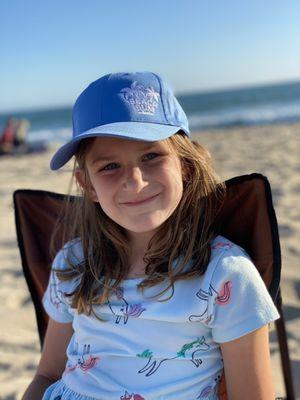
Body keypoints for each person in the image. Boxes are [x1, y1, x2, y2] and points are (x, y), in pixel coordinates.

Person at [22, 72, 280, 400]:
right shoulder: (73, 263)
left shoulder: (225, 276)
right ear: (88, 186)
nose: (135, 181)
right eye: (109, 167)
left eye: (151, 157)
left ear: (185, 165)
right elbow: (47, 374)